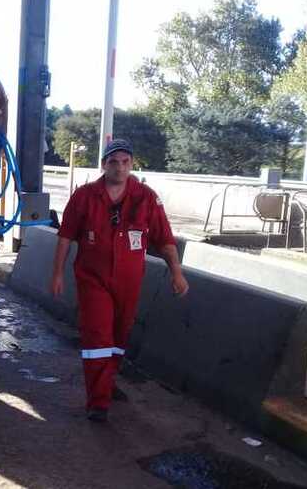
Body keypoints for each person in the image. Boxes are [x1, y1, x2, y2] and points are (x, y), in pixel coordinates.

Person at [51, 139, 189, 423]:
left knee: (118, 336)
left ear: (131, 164)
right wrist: (56, 274)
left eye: (126, 162)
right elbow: (65, 236)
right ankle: (98, 402)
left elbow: (164, 240)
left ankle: (107, 381)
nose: (120, 167)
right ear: (104, 165)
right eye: (114, 162)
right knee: (98, 336)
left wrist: (176, 272)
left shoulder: (146, 198)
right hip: (93, 279)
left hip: (129, 282)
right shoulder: (85, 196)